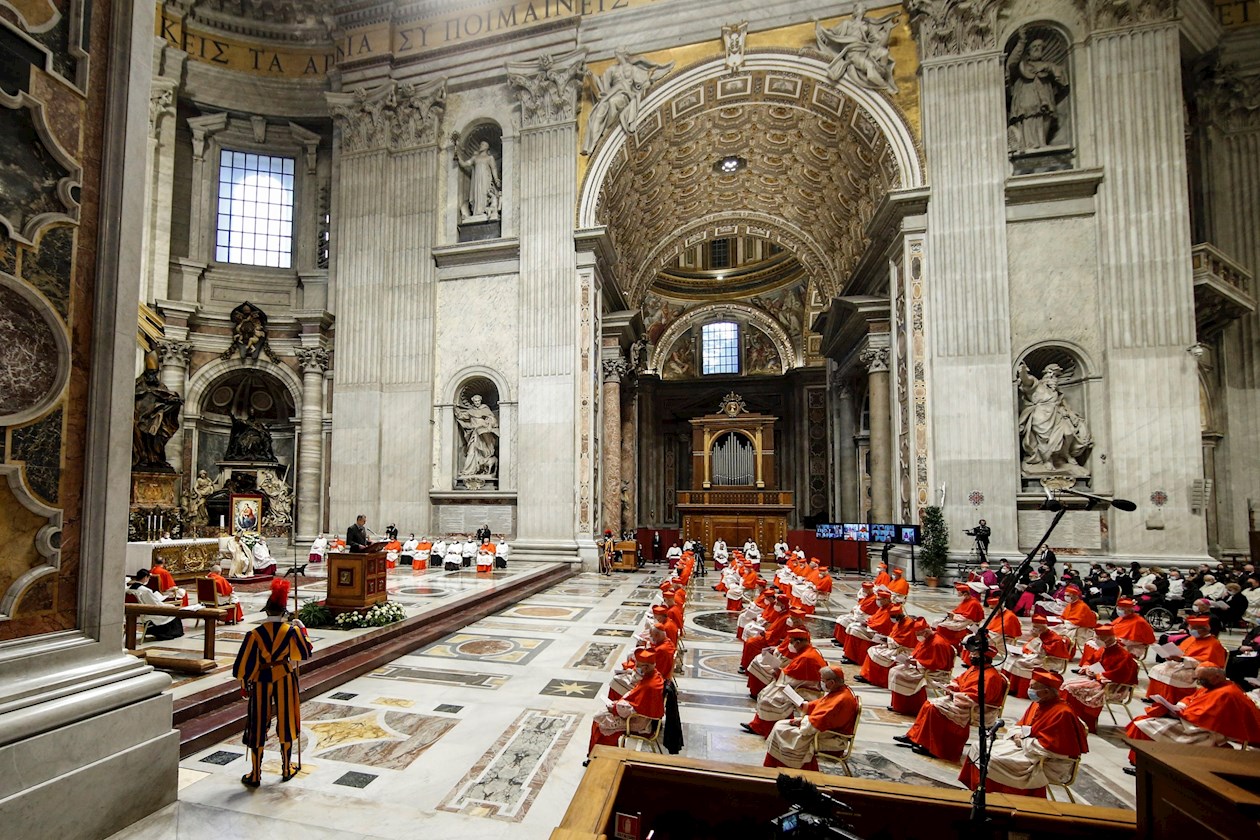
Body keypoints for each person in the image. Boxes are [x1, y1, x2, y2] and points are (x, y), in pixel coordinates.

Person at [959, 669, 1089, 798]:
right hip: (1027, 748)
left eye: (1033, 687)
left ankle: (994, 798)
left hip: (1045, 760)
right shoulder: (1037, 703)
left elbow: (1051, 749)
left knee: (991, 760)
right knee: (978, 747)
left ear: (1046, 692)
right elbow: (1020, 726)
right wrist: (1017, 736)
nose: (1029, 690)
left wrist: (1022, 741)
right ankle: (977, 790)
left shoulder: (1062, 713)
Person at [232, 579, 312, 787]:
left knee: (257, 722)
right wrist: (302, 630)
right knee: (287, 721)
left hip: (261, 679)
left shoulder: (254, 634)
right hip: (284, 676)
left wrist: (244, 684)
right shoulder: (291, 631)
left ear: (266, 612)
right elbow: (304, 652)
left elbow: (243, 665)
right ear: (284, 612)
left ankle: (256, 773)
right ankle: (286, 768)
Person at [1124, 665, 1260, 775]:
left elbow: (1209, 718)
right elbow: (1192, 699)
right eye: (1199, 679)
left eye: (1202, 680)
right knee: (1143, 721)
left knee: (1143, 725)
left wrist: (1180, 714)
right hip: (1192, 723)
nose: (1200, 683)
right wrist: (1179, 707)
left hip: (1204, 732)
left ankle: (1144, 767)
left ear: (1217, 676)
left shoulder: (1227, 694)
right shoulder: (1214, 685)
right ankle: (1141, 764)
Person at [896, 645, 1008, 761]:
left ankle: (933, 748)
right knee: (928, 704)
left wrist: (956, 694)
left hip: (974, 707)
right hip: (960, 699)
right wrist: (952, 686)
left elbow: (979, 697)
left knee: (935, 709)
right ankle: (914, 737)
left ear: (984, 657)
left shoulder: (991, 676)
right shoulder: (975, 668)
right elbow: (958, 680)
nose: (970, 656)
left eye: (974, 654)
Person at [763, 666, 859, 771]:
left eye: (822, 680)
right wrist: (804, 707)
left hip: (830, 735)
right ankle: (774, 765)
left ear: (831, 683)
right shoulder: (840, 691)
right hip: (822, 728)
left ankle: (788, 768)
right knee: (780, 725)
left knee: (782, 731)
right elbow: (821, 706)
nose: (821, 683)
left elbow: (815, 725)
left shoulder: (841, 699)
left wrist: (801, 721)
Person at [743, 629, 827, 736]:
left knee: (769, 700)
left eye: (791, 642)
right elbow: (793, 674)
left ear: (798, 643)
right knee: (766, 692)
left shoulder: (807, 658)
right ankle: (757, 725)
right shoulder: (808, 651)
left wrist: (778, 673)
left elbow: (794, 679)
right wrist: (780, 673)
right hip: (798, 684)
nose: (790, 645)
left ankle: (766, 729)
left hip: (806, 690)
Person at [1016, 361, 1092, 475]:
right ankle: (1047, 459)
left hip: (1057, 416)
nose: (1056, 379)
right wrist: (1022, 372)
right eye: (1055, 376)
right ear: (1048, 374)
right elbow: (1027, 380)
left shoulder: (1055, 391)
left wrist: (1071, 414)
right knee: (1044, 439)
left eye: (1057, 377)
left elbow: (1062, 403)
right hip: (1041, 417)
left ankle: (1066, 454)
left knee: (1069, 433)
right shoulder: (1036, 385)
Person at [588, 648, 666, 758]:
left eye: (638, 665)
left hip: (639, 721)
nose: (636, 667)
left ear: (647, 667)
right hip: (640, 716)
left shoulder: (650, 686)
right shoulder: (654, 675)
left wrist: (614, 708)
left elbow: (635, 709)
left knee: (599, 722)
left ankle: (603, 757)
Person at [1062, 624, 1138, 733]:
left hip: (1112, 686)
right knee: (1066, 684)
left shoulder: (1124, 656)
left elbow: (1120, 675)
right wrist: (1087, 668)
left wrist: (1096, 675)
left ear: (1107, 639)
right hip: (1097, 679)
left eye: (1098, 638)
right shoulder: (1103, 649)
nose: (1095, 639)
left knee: (1074, 688)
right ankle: (1067, 719)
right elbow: (1090, 660)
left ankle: (1084, 722)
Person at [1005, 28, 1069, 152]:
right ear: (1028, 51)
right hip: (1026, 94)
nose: (1037, 49)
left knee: (1045, 114)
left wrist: (1049, 68)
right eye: (1034, 47)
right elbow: (1011, 63)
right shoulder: (1022, 65)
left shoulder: (1047, 65)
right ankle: (1029, 144)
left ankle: (1042, 142)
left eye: (1040, 47)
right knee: (1028, 115)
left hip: (1044, 94)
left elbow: (1061, 77)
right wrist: (1021, 42)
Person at [1146, 616, 1227, 704]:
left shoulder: (1214, 644)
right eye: (1191, 628)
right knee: (1157, 668)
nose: (1191, 631)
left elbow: (1207, 663)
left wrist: (1182, 659)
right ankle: (1155, 698)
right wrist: (1171, 655)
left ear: (1204, 629)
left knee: (1173, 675)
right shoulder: (1192, 639)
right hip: (1181, 663)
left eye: (1194, 628)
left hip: (1195, 669)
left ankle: (1171, 701)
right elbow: (1181, 650)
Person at [888, 620, 956, 716]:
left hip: (933, 672)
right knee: (894, 670)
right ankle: (899, 705)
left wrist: (916, 663)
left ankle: (912, 707)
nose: (917, 636)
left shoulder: (937, 643)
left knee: (899, 674)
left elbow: (937, 663)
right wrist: (911, 659)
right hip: (922, 667)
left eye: (918, 633)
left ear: (925, 631)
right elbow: (918, 652)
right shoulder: (927, 638)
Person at [126, 569, 185, 641]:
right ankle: (169, 633)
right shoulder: (145, 591)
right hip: (150, 613)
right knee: (172, 609)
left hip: (140, 612)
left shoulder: (129, 589)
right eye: (148, 578)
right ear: (145, 577)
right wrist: (165, 603)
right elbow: (155, 605)